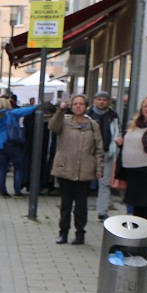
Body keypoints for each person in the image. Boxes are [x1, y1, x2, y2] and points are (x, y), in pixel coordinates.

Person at [49, 95, 103, 245]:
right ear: (71, 106)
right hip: (66, 168)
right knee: (66, 204)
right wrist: (60, 111)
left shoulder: (93, 124)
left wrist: (99, 167)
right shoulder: (64, 121)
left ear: (86, 106)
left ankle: (80, 234)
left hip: (84, 170)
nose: (78, 106)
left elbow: (99, 148)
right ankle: (63, 233)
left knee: (81, 205)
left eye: (81, 104)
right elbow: (53, 127)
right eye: (75, 104)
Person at [114, 96, 147, 223]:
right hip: (133, 173)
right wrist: (122, 144)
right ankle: (137, 238)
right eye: (145, 106)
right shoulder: (134, 124)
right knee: (136, 209)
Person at [0, 97, 36, 198]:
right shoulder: (11, 113)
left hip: (0, 145)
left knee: (2, 169)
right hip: (12, 143)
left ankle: (3, 192)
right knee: (19, 168)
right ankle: (17, 191)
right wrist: (36, 107)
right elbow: (25, 111)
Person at [89, 91, 121, 220]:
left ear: (108, 101)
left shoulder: (113, 115)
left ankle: (102, 211)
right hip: (89, 153)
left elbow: (117, 132)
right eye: (99, 99)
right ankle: (78, 208)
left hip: (107, 153)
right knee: (82, 182)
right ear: (95, 100)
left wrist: (116, 145)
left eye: (104, 100)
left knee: (105, 183)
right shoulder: (88, 114)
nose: (102, 102)